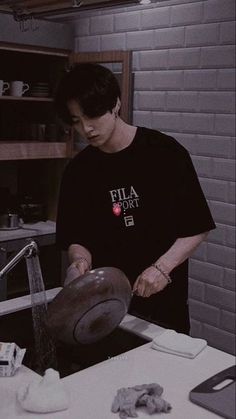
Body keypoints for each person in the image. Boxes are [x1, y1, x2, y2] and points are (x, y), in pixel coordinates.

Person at [54, 63, 216, 334]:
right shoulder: (78, 171)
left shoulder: (165, 153)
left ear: (115, 104)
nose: (87, 129)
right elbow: (77, 236)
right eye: (76, 121)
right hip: (102, 306)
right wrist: (79, 262)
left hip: (162, 302)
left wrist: (162, 268)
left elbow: (197, 228)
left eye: (93, 115)